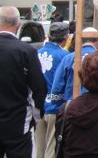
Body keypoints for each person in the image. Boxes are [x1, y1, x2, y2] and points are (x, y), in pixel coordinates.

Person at [0, 6, 47, 157]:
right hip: (18, 120)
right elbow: (39, 88)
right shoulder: (27, 51)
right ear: (18, 25)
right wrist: (37, 115)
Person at [48, 27, 98, 115]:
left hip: (72, 111)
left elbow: (57, 89)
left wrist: (61, 107)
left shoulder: (67, 59)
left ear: (80, 40)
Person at [35, 21, 69, 158]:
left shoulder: (36, 53)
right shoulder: (65, 56)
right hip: (55, 106)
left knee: (39, 148)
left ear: (48, 36)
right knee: (52, 147)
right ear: (66, 37)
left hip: (38, 106)